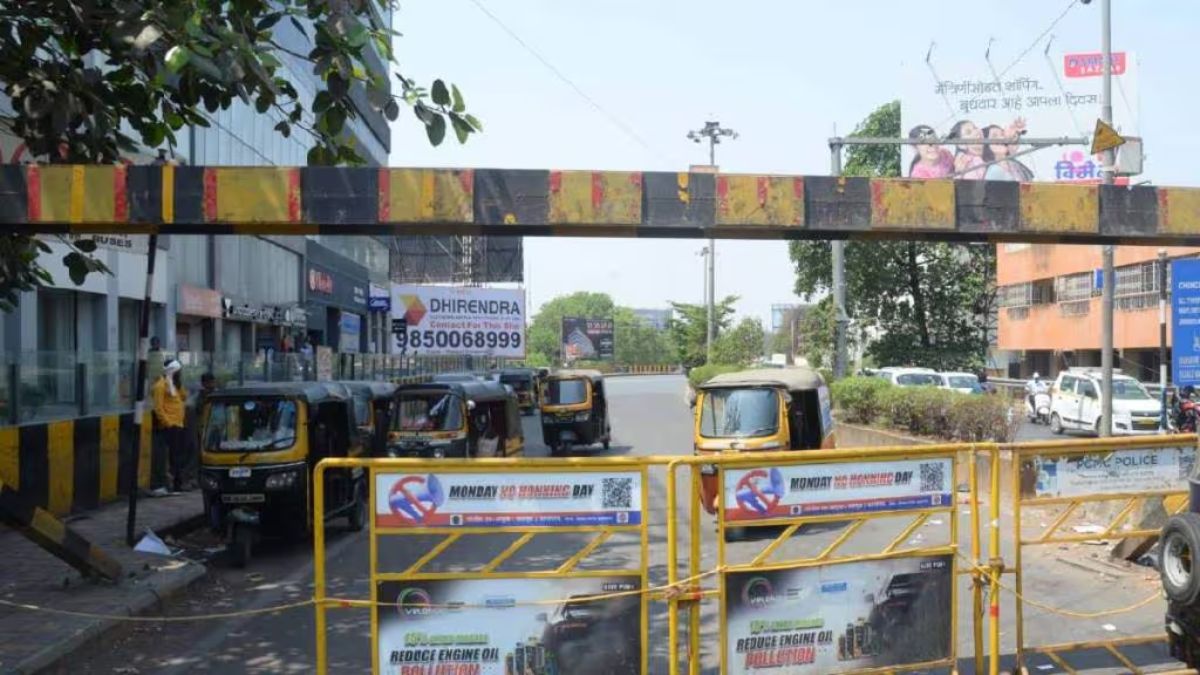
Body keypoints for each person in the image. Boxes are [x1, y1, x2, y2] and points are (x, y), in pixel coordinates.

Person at [151, 359, 188, 495]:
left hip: (179, 424)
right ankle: (167, 485)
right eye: (178, 372)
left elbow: (183, 397)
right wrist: (168, 423)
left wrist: (179, 385)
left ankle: (177, 485)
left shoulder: (173, 385)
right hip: (169, 426)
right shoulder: (160, 386)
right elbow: (158, 408)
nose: (180, 374)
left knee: (177, 457)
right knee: (168, 458)